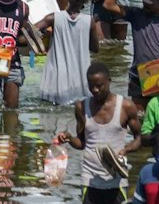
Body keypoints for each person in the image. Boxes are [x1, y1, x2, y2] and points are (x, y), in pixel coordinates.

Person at [53, 62, 141, 204]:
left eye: (100, 85)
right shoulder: (81, 107)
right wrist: (69, 138)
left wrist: (126, 150)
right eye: (91, 86)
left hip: (117, 181)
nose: (95, 90)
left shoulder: (126, 106)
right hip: (89, 181)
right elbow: (82, 143)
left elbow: (139, 138)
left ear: (109, 81)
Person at [36, 0, 100, 106]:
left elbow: (31, 31)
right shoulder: (89, 22)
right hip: (80, 82)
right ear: (86, 0)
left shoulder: (53, 18)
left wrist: (45, 36)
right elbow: (95, 48)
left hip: (54, 82)